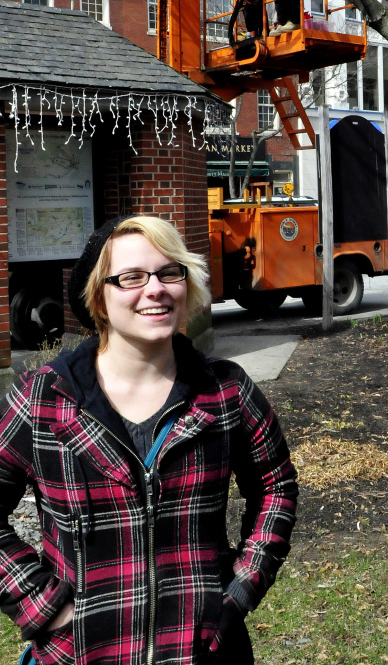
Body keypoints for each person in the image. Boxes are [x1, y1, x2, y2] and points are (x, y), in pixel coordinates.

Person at [0, 214, 297, 665]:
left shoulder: (225, 391)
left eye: (169, 272)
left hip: (202, 651)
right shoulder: (45, 399)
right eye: (131, 277)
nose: (155, 289)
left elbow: (275, 487)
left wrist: (240, 589)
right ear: (99, 297)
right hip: (83, 653)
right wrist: (41, 604)